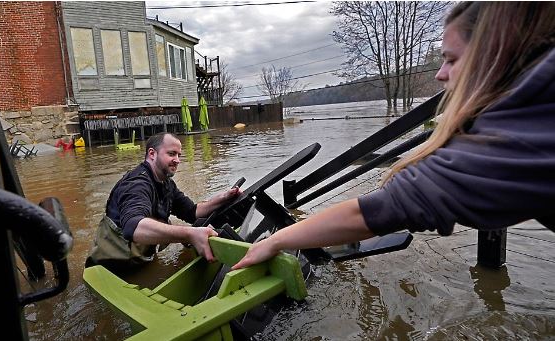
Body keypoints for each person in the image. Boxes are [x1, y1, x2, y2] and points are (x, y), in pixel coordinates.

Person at [232, 2, 555, 270]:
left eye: (452, 59)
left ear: (500, 56)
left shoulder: (515, 140)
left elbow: (376, 211)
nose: (441, 74)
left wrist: (275, 240)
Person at [86, 132, 241, 270]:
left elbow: (192, 212)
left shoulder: (166, 183)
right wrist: (189, 234)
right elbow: (133, 228)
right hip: (111, 269)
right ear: (152, 154)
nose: (178, 160)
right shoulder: (136, 184)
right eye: (172, 154)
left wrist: (223, 198)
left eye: (179, 155)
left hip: (140, 260)